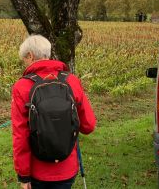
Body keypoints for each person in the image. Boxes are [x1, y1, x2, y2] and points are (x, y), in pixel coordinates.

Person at [11, 35, 96, 189]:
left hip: (38, 172)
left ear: (30, 55)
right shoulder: (71, 81)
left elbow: (20, 135)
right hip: (67, 168)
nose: (24, 62)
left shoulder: (21, 86)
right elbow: (88, 126)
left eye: (24, 58)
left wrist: (23, 175)